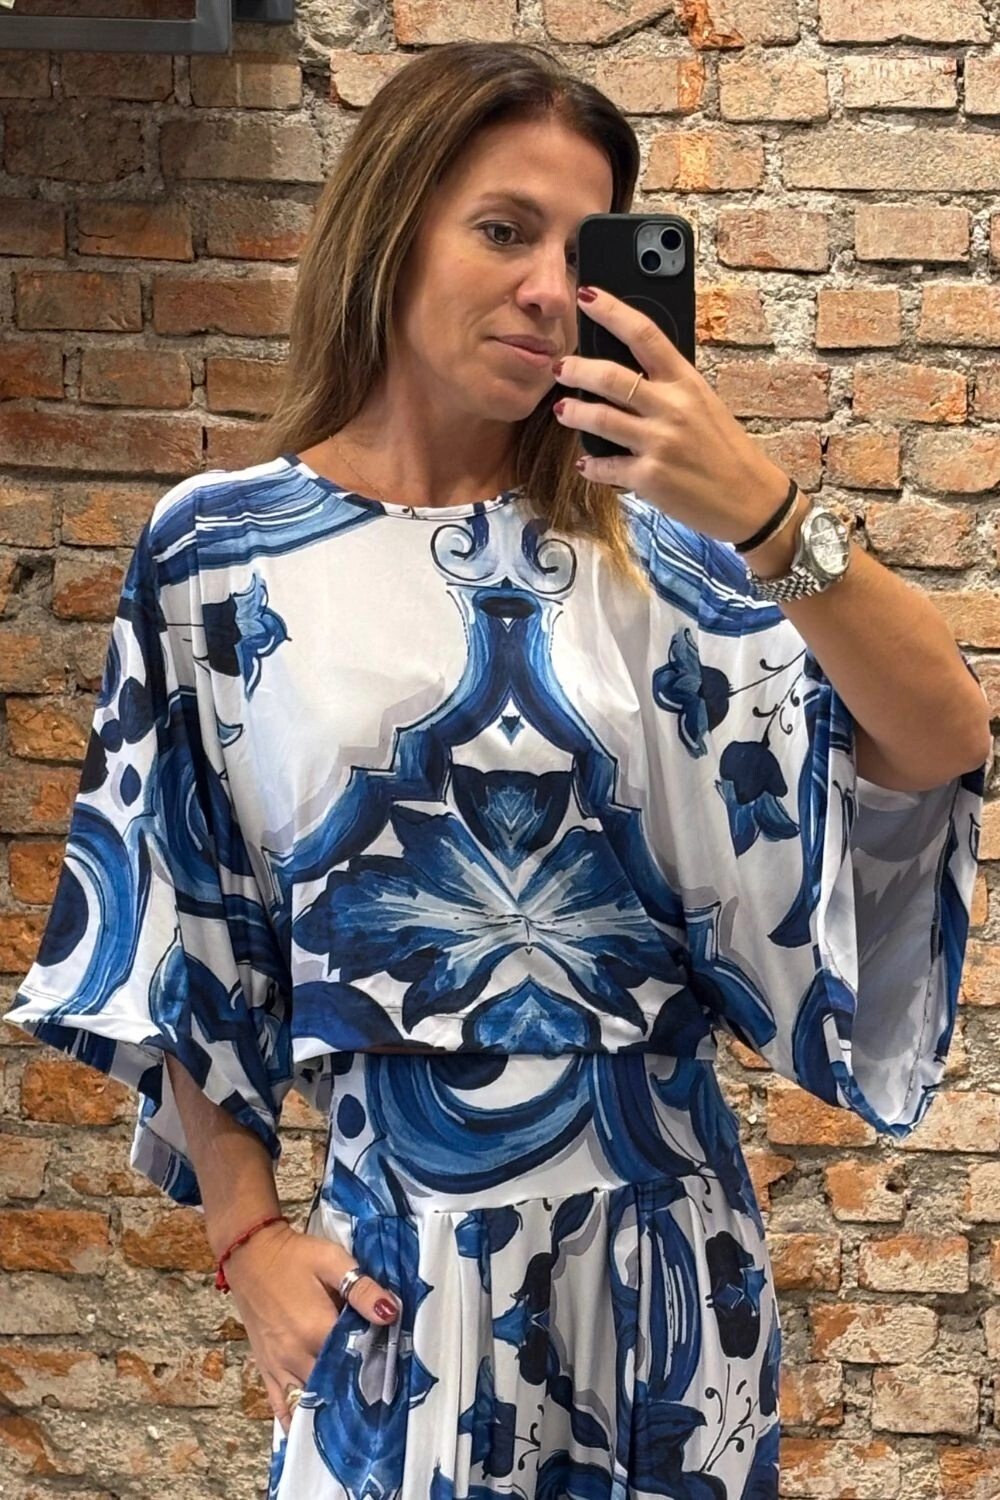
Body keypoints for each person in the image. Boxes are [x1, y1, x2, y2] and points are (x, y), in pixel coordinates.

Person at [7, 40, 989, 1500]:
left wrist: (768, 515)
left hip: (666, 1262)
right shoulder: (221, 553)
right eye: (503, 229)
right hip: (392, 1255)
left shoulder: (671, 558)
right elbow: (178, 918)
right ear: (388, 232)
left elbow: (942, 740)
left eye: (580, 254)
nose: (547, 288)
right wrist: (246, 1236)